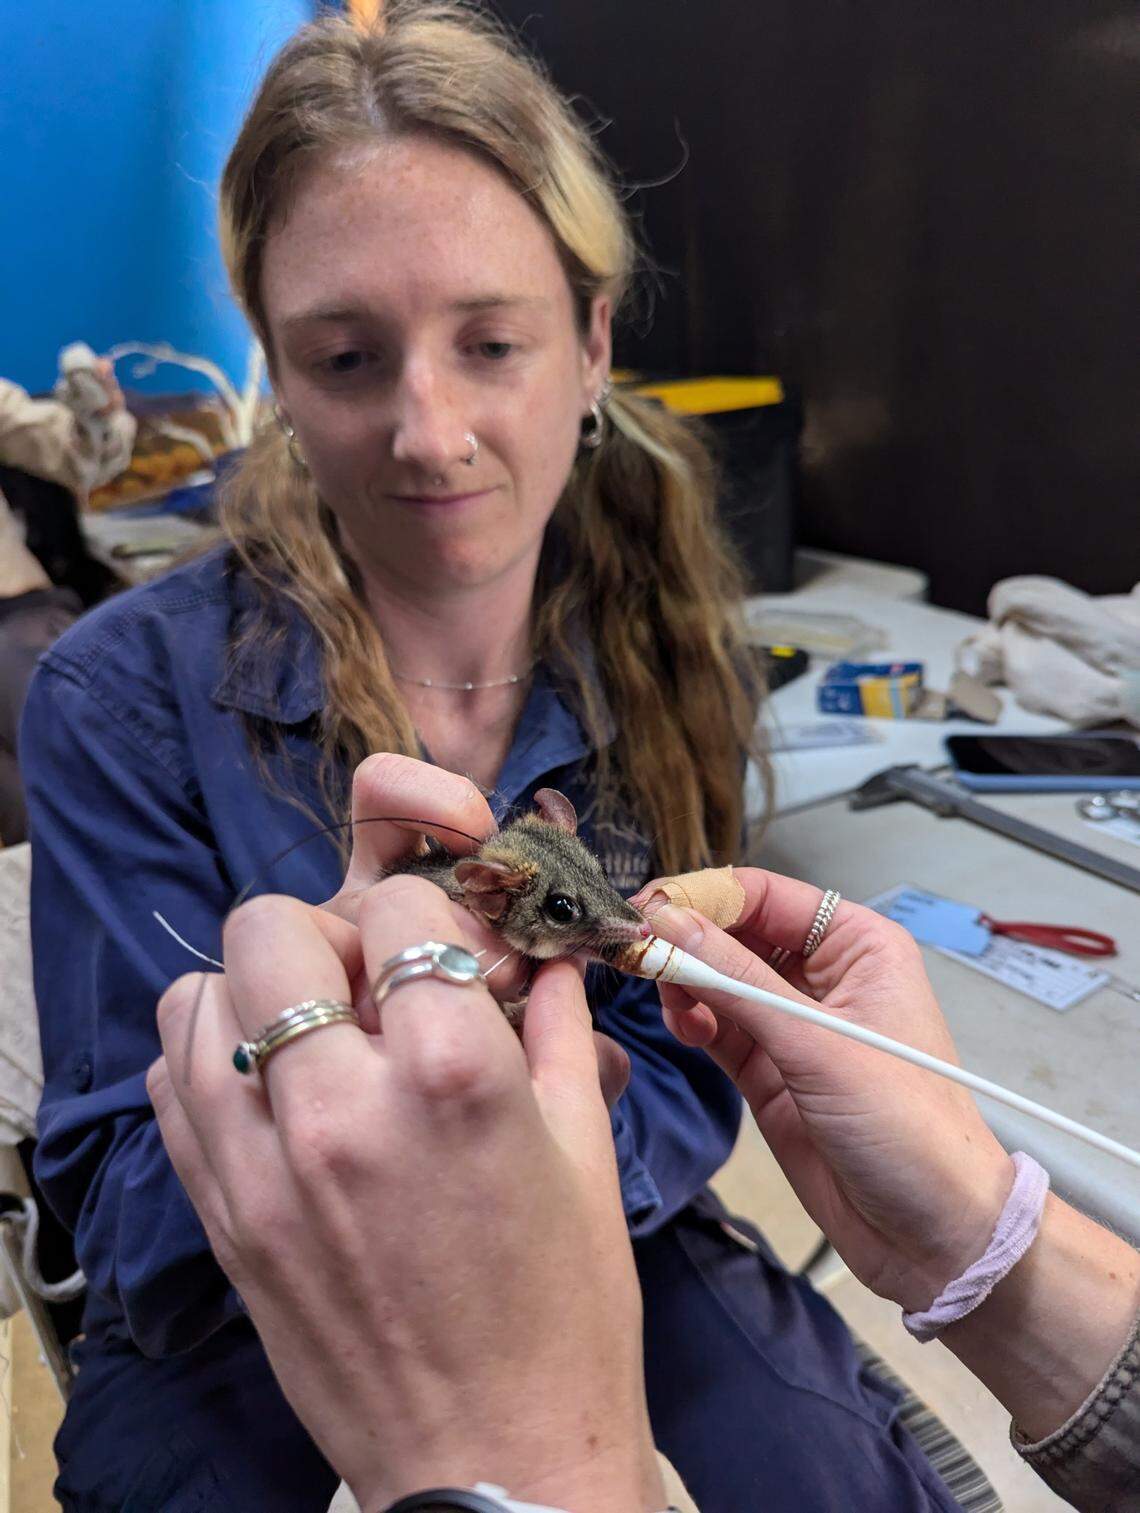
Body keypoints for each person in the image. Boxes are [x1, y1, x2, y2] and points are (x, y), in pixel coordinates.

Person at [22, 6, 957, 1509]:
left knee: (837, 1478)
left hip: (619, 1236)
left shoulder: (671, 648)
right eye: (345, 357)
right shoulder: (115, 699)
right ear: (274, 367)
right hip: (237, 1310)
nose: (430, 430)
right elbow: (119, 1205)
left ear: (590, 344)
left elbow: (685, 1062)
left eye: (493, 343)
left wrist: (548, 1157)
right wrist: (344, 1059)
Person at [147, 867, 1140, 1513]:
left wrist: (526, 1472)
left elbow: (669, 1080)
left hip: (645, 1232)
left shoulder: (641, 689)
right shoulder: (116, 692)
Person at [0, 359, 132, 842]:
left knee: (84, 787)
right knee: (34, 837)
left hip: (17, 621)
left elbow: (77, 454)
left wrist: (95, 416)